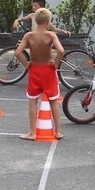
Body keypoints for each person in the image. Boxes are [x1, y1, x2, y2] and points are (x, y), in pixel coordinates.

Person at [15, 8, 65, 140]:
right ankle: (58, 131)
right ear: (48, 21)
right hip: (48, 70)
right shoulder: (51, 35)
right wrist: (56, 64)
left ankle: (32, 132)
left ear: (36, 21)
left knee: (32, 101)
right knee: (53, 101)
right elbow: (61, 50)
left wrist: (26, 65)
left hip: (35, 69)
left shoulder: (29, 36)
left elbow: (17, 53)